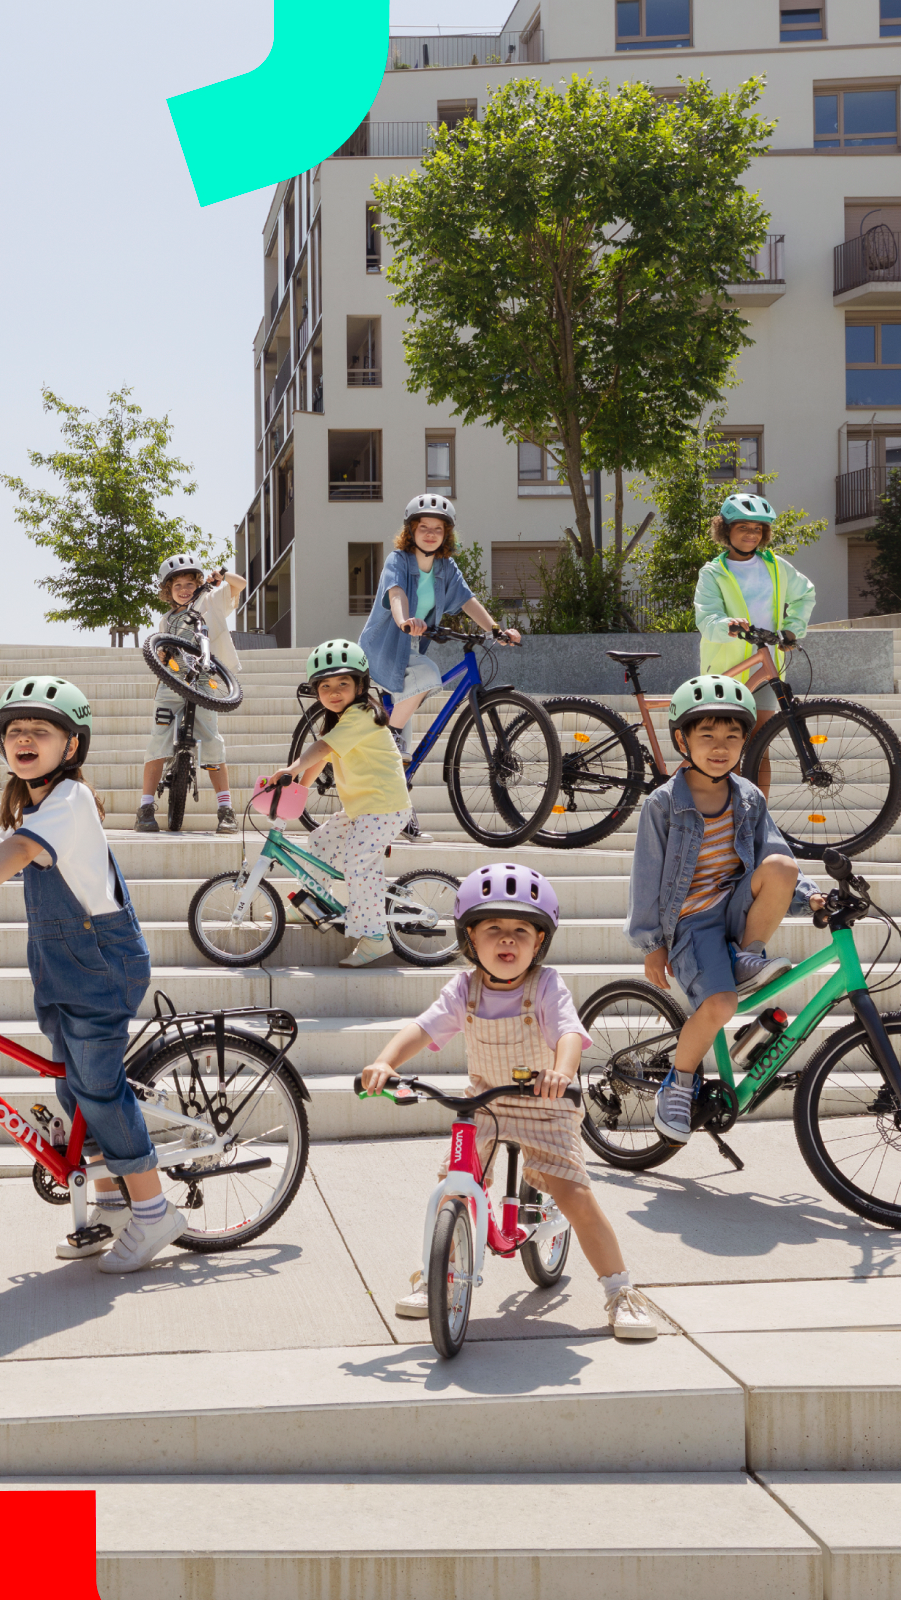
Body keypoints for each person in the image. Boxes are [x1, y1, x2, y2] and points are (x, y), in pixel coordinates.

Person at [0, 677, 180, 1273]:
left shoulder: (69, 802)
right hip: (63, 966)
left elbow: (9, 860)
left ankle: (154, 1209)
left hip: (101, 962)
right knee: (71, 1085)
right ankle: (111, 1205)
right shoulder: (32, 806)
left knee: (96, 1086)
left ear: (71, 746)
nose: (24, 739)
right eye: (14, 732)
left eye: (41, 731)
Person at [360, 864, 661, 1341]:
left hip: (546, 1104)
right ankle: (434, 1273)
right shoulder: (464, 989)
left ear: (538, 942)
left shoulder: (545, 985)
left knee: (575, 1196)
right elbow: (423, 1027)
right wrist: (384, 1062)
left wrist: (562, 1071)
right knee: (452, 1188)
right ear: (470, 939)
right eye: (493, 929)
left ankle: (620, 1292)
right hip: (486, 1104)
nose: (507, 940)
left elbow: (567, 1031)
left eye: (521, 930)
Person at [625, 674, 809, 1148]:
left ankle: (748, 955)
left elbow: (773, 847)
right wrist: (652, 944)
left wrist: (814, 896)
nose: (720, 747)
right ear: (682, 740)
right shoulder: (664, 804)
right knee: (721, 1006)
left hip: (734, 906)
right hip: (691, 921)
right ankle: (680, 1081)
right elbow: (646, 876)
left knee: (783, 867)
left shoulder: (748, 796)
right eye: (706, 736)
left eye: (732, 736)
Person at [355, 492, 522, 841]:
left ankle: (400, 813)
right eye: (423, 527)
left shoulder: (446, 567)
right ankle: (385, 738)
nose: (430, 534)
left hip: (413, 644)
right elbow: (396, 594)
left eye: (438, 529)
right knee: (429, 676)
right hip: (388, 643)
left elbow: (467, 600)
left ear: (446, 534)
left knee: (406, 750)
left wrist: (495, 630)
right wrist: (404, 620)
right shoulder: (398, 560)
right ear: (410, 531)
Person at [269, 640, 415, 967]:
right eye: (325, 686)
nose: (334, 692)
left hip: (384, 806)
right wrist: (299, 791)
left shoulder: (362, 714)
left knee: (358, 862)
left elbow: (320, 750)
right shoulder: (340, 720)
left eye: (343, 684)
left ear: (360, 686)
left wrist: (292, 769)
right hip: (361, 808)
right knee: (320, 839)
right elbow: (323, 759)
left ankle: (376, 937)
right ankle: (313, 900)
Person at [691, 491, 816, 792]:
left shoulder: (776, 566)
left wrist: (791, 629)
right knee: (726, 750)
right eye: (743, 527)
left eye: (757, 529)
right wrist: (727, 625)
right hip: (726, 672)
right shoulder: (713, 573)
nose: (751, 534)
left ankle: (759, 823)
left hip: (765, 667)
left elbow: (805, 594)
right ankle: (723, 820)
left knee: (760, 749)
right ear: (726, 530)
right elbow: (706, 619)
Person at [138, 553, 248, 836]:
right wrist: (162, 656)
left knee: (212, 741)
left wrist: (222, 578)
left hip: (205, 684)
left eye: (190, 583)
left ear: (199, 584)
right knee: (158, 740)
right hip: (171, 684)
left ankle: (225, 809)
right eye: (178, 586)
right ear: (168, 591)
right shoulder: (165, 621)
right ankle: (146, 806)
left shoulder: (210, 602)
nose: (185, 589)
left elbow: (240, 584)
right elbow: (159, 654)